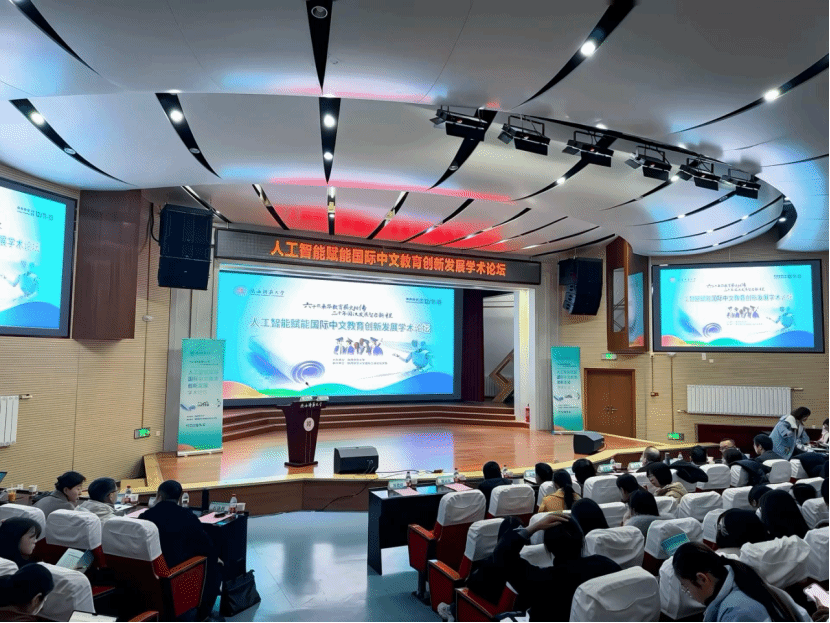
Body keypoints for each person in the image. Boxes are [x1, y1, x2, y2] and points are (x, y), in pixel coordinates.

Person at [491, 513, 622, 622]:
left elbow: (502, 555)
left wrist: (533, 527)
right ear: (581, 539)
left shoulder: (542, 580)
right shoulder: (607, 565)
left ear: (548, 548)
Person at [140, 480, 220, 621]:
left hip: (150, 572)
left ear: (159, 496)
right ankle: (203, 614)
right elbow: (206, 546)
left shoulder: (145, 516)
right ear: (180, 497)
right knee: (215, 564)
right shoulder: (188, 516)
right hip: (174, 573)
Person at [673, 542, 810, 622]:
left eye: (686, 587)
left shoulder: (736, 611)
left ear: (702, 579)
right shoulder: (746, 582)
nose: (689, 594)